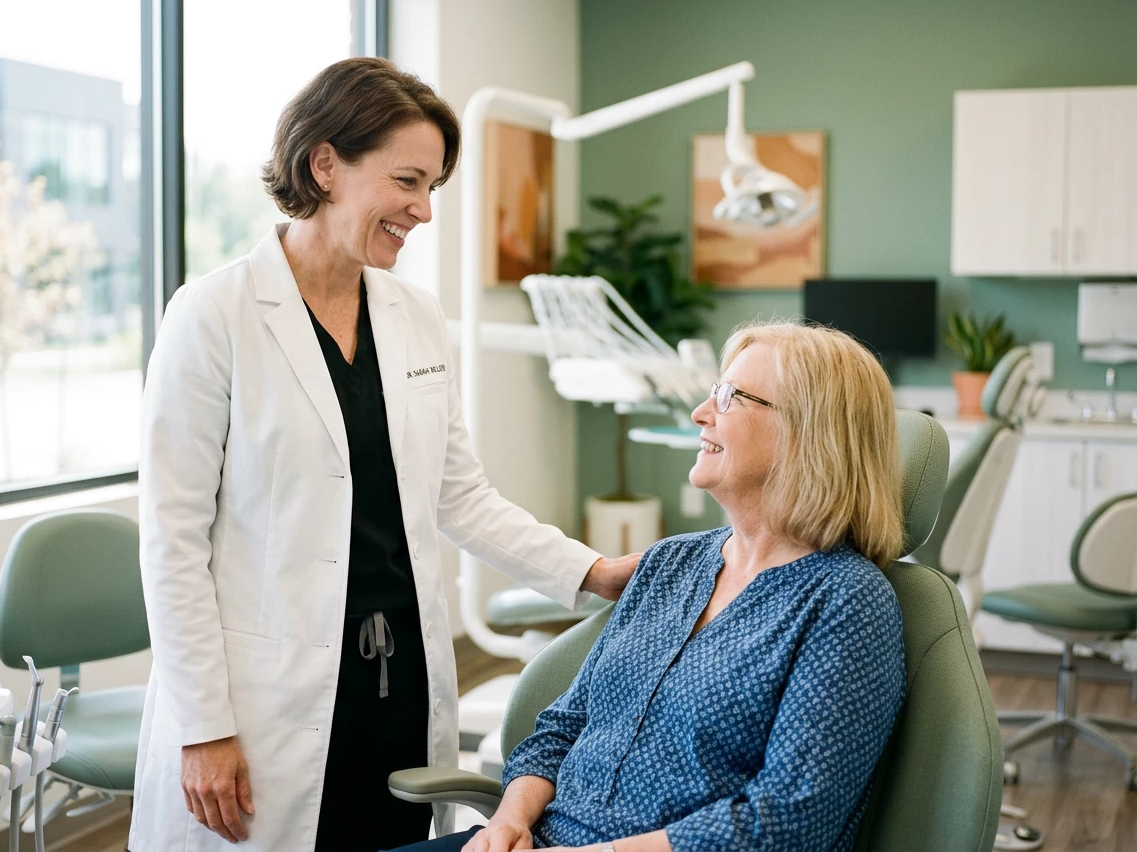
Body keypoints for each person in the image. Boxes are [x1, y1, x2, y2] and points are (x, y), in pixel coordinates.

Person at [128, 57, 638, 852]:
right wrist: (203, 726)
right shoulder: (213, 316)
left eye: (431, 186)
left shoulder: (415, 317)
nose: (423, 210)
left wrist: (594, 572)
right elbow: (172, 541)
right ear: (324, 164)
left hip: (394, 683)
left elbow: (459, 497)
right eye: (407, 181)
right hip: (264, 697)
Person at [393, 321, 908, 852]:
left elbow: (789, 820)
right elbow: (562, 727)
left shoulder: (848, 602)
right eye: (713, 391)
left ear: (809, 432)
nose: (701, 413)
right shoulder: (671, 562)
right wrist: (508, 822)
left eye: (729, 397)